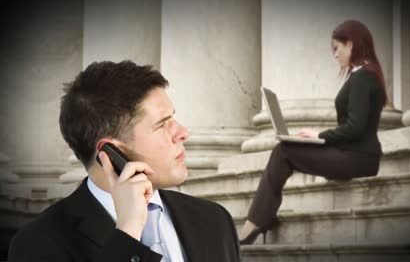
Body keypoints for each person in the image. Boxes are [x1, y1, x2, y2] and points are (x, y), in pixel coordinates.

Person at [8, 61, 240, 261]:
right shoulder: (40, 242)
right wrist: (128, 231)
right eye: (162, 124)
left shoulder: (214, 220)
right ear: (110, 153)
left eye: (173, 118)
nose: (183, 132)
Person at [239, 20, 388, 245]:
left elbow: (355, 127)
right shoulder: (363, 74)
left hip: (357, 158)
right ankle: (261, 218)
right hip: (356, 155)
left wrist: (320, 136)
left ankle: (256, 222)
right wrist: (318, 139)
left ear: (351, 45)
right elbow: (354, 127)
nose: (335, 55)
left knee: (284, 151)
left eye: (337, 48)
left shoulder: (362, 77)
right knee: (286, 150)